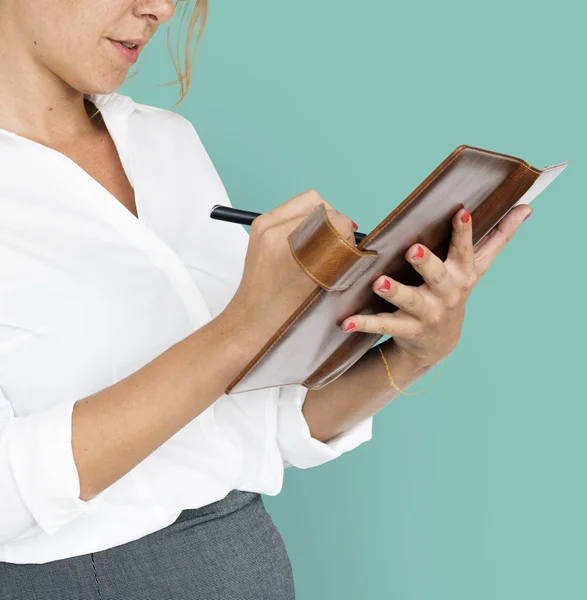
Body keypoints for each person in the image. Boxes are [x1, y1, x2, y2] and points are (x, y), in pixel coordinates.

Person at [0, 1, 533, 598]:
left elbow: (262, 423)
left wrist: (416, 353)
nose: (160, 8)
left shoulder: (162, 141)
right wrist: (242, 328)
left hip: (241, 555)